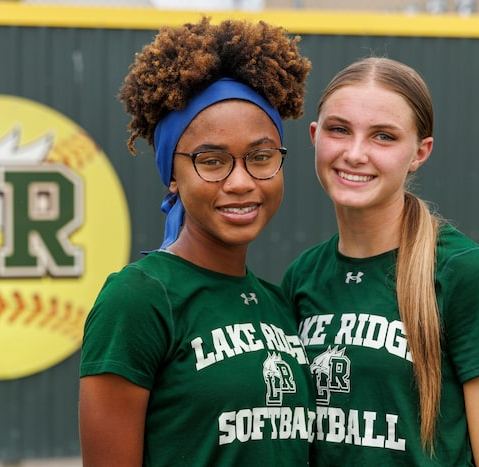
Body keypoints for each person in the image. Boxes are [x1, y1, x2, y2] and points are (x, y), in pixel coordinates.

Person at [79, 18, 314, 466]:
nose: (241, 181)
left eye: (261, 157)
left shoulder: (279, 305)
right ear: (172, 176)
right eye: (212, 161)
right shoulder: (140, 298)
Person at [283, 57, 479, 466]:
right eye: (339, 129)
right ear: (314, 135)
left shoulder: (466, 274)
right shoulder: (302, 277)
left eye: (383, 136)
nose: (355, 153)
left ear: (420, 152)